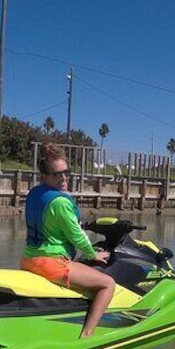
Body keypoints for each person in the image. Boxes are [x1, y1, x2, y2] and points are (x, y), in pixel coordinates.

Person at [21, 142, 115, 338]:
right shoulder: (60, 202)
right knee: (108, 284)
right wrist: (92, 254)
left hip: (29, 260)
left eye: (66, 172)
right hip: (51, 263)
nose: (63, 178)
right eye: (56, 174)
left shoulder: (34, 194)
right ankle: (87, 335)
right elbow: (77, 236)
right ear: (44, 176)